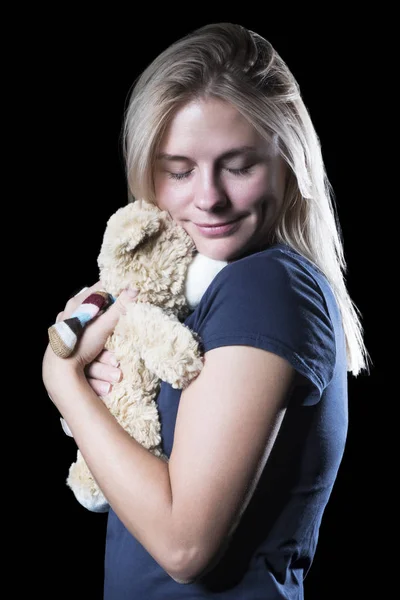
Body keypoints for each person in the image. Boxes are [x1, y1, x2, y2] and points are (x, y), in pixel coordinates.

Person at [42, 22, 369, 599]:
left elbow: (184, 546)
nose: (209, 196)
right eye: (179, 170)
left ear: (287, 162)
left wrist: (61, 380)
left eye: (238, 165)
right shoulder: (208, 295)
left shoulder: (266, 284)